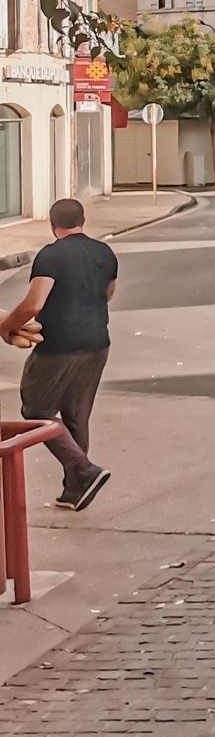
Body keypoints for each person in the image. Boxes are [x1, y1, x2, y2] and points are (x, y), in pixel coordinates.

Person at [0, 198, 116, 511]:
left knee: (36, 412)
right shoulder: (104, 252)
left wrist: (6, 328)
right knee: (76, 416)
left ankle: (84, 470)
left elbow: (33, 304)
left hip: (59, 347)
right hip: (98, 344)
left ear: (53, 225)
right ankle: (75, 488)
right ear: (83, 220)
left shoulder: (50, 256)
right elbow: (108, 294)